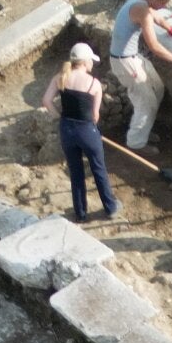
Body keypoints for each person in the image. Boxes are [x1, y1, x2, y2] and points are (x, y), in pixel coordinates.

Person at [110, 0, 172, 156]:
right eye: (163, 2)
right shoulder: (142, 11)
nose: (164, 6)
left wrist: (169, 27)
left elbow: (156, 14)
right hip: (125, 62)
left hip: (131, 56)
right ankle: (136, 143)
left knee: (158, 88)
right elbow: (154, 46)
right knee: (147, 103)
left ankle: (143, 128)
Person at [51, 42, 118, 223]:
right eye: (91, 61)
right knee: (98, 169)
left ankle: (80, 212)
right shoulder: (94, 84)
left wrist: (61, 117)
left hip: (67, 129)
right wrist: (92, 131)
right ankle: (110, 208)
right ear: (85, 61)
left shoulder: (61, 77)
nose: (92, 65)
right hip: (87, 130)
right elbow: (95, 115)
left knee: (76, 171)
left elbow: (46, 100)